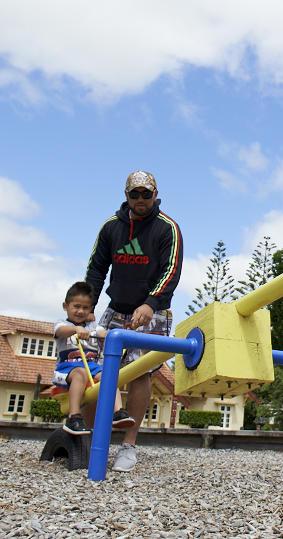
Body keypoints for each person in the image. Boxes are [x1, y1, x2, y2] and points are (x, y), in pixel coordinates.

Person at [85, 170, 183, 472]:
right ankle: (88, 438)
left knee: (140, 373)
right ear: (126, 196)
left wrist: (150, 304)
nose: (140, 199)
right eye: (134, 194)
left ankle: (128, 445)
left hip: (151, 312)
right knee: (94, 370)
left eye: (146, 194)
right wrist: (89, 305)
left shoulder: (168, 228)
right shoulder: (111, 227)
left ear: (156, 195)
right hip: (115, 310)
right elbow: (96, 268)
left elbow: (171, 271)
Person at [52, 281, 135, 435]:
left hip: (92, 366)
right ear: (66, 306)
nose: (80, 311)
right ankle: (73, 417)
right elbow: (61, 331)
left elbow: (104, 333)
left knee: (109, 376)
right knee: (80, 373)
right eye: (76, 306)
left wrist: (119, 334)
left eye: (85, 308)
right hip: (67, 368)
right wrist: (76, 329)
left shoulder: (92, 327)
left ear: (91, 309)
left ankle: (117, 411)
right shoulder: (62, 323)